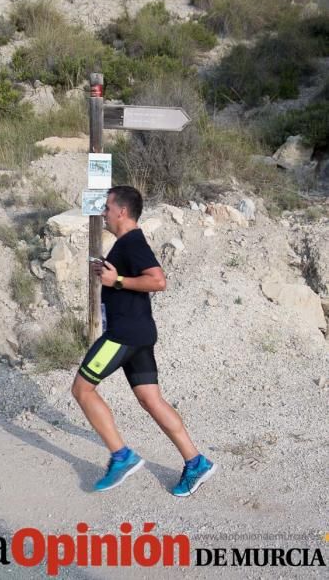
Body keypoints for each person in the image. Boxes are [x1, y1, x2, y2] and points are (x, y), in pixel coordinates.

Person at [72, 185, 216, 496]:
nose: (104, 214)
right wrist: (111, 275)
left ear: (121, 211)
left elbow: (158, 280)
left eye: (108, 208)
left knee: (82, 389)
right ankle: (196, 462)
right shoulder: (125, 245)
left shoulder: (132, 241)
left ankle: (121, 457)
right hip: (139, 333)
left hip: (123, 335)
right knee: (151, 400)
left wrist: (118, 280)